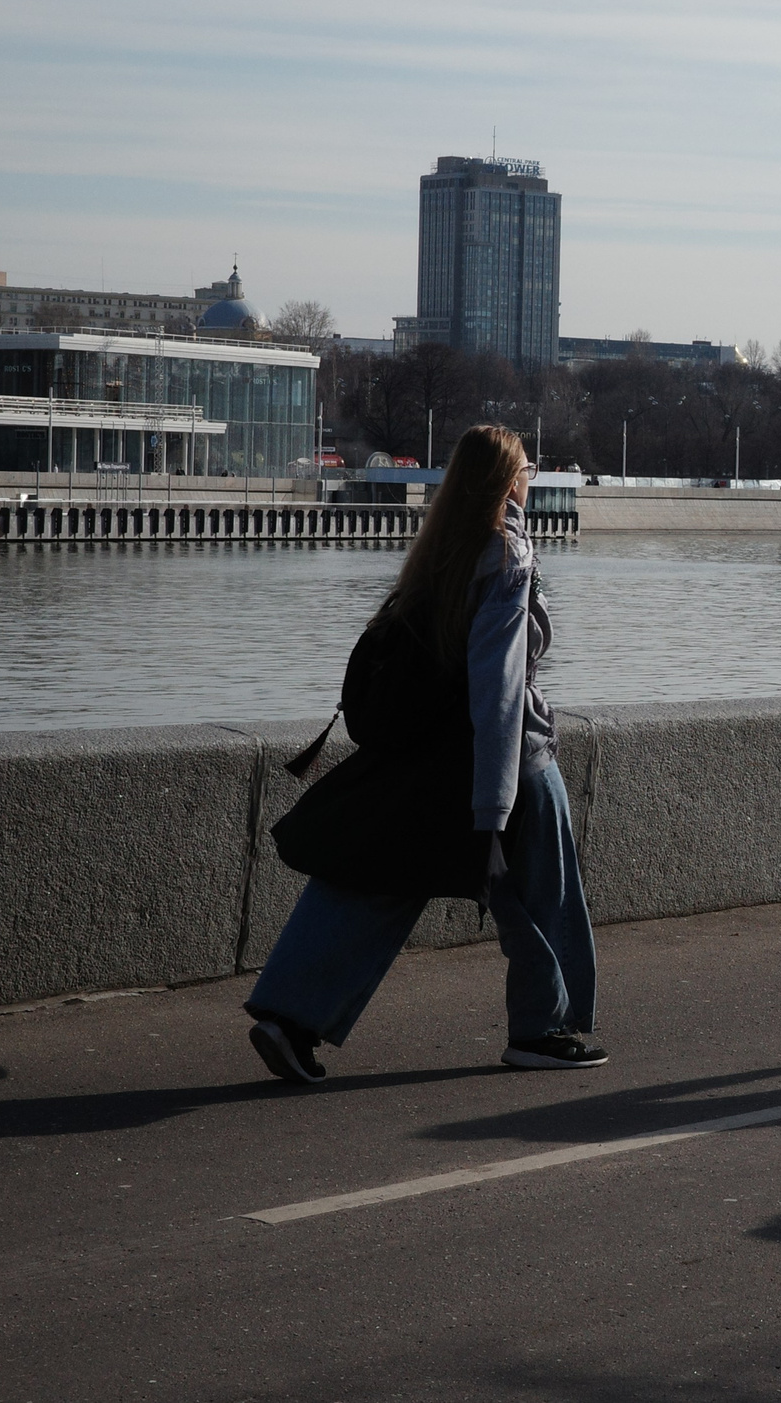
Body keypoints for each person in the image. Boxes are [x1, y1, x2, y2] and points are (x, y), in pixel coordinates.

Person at [245, 424, 605, 1084]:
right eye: (528, 465)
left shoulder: (440, 550)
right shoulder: (507, 555)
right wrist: (494, 810)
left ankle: (289, 1015)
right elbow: (499, 690)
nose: (533, 473)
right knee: (542, 892)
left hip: (428, 757)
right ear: (509, 480)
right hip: (506, 760)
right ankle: (542, 1028)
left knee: (375, 880)